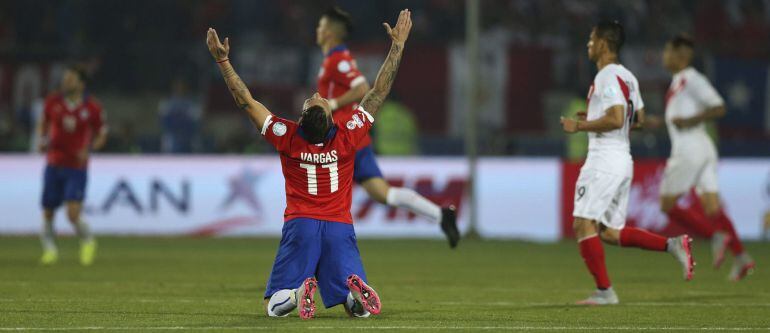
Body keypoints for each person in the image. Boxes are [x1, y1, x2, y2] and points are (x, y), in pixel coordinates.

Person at [206, 9, 412, 319]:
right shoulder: (347, 136)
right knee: (357, 312)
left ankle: (299, 292)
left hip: (301, 225)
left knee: (273, 308)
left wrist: (223, 61)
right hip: (339, 228)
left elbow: (245, 100)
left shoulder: (287, 136)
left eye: (312, 98)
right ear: (331, 119)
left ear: (301, 120)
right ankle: (354, 296)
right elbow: (378, 91)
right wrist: (397, 45)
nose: (317, 93)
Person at [560, 21, 694, 305]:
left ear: (604, 44)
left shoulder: (607, 76)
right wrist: (595, 115)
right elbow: (639, 120)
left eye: (591, 39)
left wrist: (579, 126)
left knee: (583, 224)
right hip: (622, 158)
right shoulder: (628, 77)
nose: (588, 44)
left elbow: (618, 118)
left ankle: (605, 293)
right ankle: (673, 244)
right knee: (609, 232)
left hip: (604, 160)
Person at [315, 7, 459, 248]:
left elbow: (362, 88)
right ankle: (441, 215)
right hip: (354, 141)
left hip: (341, 141)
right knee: (385, 194)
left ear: (330, 32)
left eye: (321, 27)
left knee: (319, 198)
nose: (317, 31)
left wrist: (333, 103)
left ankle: (316, 267)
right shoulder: (335, 59)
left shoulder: (337, 59)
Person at [648, 34, 754, 281]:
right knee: (712, 207)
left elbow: (719, 107)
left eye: (667, 51)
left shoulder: (693, 79)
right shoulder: (678, 83)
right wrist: (652, 122)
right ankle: (742, 258)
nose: (664, 56)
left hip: (690, 149)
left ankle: (715, 236)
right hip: (702, 148)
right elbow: (675, 120)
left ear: (681, 55)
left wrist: (690, 121)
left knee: (667, 204)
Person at [36, 65, 108, 266]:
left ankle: (88, 241)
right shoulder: (53, 102)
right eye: (65, 78)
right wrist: (42, 139)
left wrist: (90, 149)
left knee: (72, 214)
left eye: (70, 79)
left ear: (81, 84)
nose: (65, 82)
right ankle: (49, 251)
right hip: (54, 163)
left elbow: (102, 133)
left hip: (77, 166)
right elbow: (44, 122)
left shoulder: (92, 107)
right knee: (48, 211)